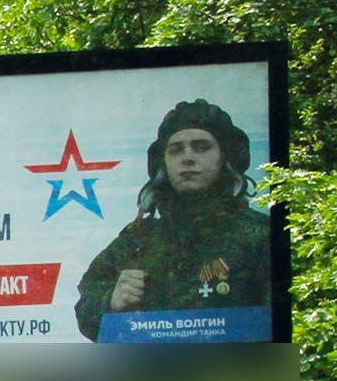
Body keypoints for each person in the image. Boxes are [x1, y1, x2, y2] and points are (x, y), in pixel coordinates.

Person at [72, 97, 273, 340]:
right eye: (175, 149)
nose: (187, 158)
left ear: (225, 158)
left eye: (201, 147)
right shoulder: (138, 238)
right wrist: (111, 301)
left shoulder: (259, 235)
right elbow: (86, 307)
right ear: (163, 161)